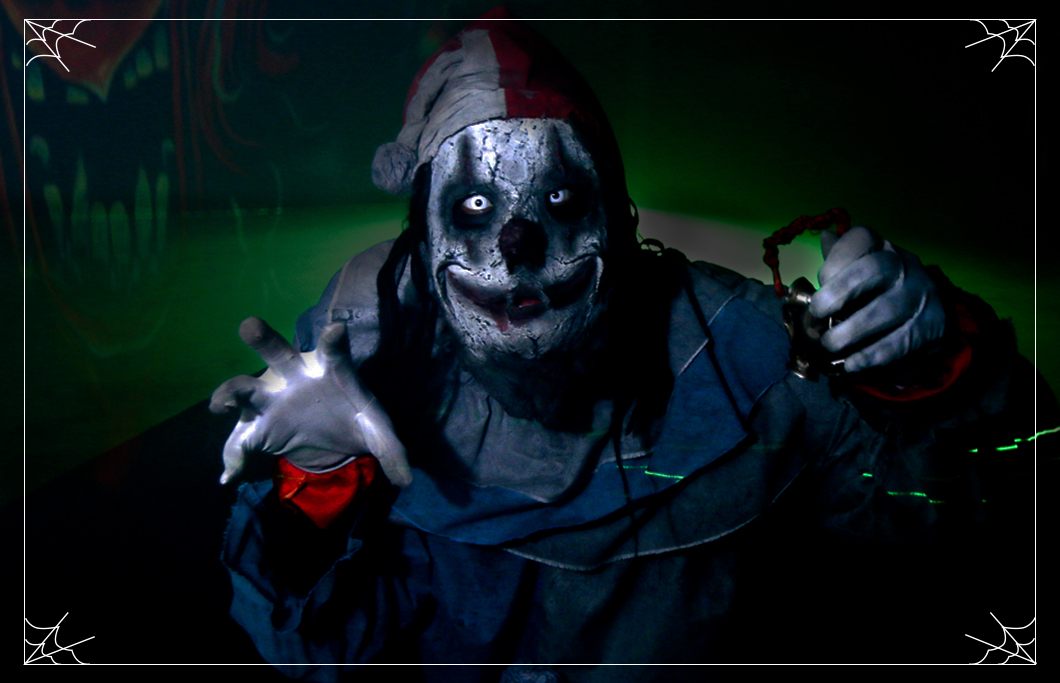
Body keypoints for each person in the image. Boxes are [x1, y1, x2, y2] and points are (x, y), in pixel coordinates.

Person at [212, 12, 1046, 681]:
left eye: (560, 198)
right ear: (424, 235)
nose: (517, 245)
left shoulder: (740, 353)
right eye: (473, 207)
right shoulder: (368, 361)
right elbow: (323, 647)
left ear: (615, 211)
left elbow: (985, 513)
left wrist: (935, 366)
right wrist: (317, 489)